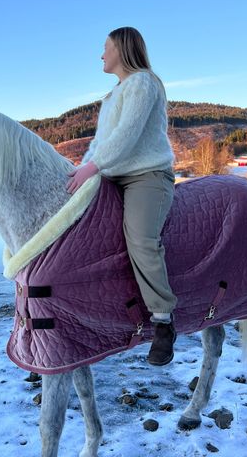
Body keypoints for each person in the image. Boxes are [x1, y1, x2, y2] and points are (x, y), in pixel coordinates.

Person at [66, 26, 177, 366]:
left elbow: (127, 136)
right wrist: (81, 171)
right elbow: (102, 142)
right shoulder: (114, 94)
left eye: (105, 47)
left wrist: (93, 166)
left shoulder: (143, 82)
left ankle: (162, 321)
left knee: (141, 239)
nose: (101, 54)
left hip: (147, 175)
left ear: (122, 49)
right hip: (113, 173)